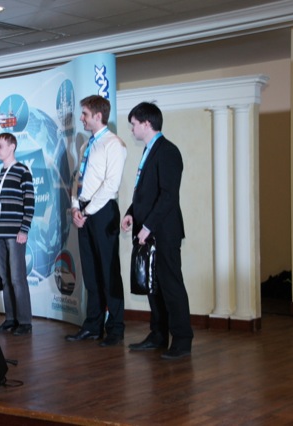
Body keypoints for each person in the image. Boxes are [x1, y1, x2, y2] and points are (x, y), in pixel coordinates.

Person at [121, 102, 193, 360]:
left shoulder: (168, 151)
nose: (132, 129)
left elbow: (168, 196)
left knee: (171, 285)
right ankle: (159, 335)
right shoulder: (149, 150)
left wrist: (148, 226)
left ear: (147, 123)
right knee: (154, 287)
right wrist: (131, 212)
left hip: (164, 232)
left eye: (134, 124)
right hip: (149, 231)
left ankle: (182, 340)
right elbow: (146, 192)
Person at [65, 95, 127, 347]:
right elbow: (78, 179)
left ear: (98, 116)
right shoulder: (86, 146)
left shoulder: (114, 144)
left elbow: (111, 185)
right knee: (90, 273)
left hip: (102, 212)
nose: (81, 118)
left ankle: (115, 328)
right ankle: (93, 326)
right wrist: (75, 207)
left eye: (85, 114)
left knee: (109, 272)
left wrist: (87, 211)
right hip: (84, 212)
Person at [0, 133, 35, 336]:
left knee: (17, 278)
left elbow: (29, 202)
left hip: (15, 233)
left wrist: (24, 229)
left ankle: (25, 321)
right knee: (5, 278)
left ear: (12, 147)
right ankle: (10, 318)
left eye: (0, 146)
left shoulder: (22, 171)